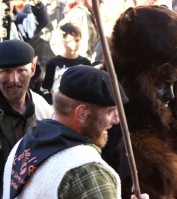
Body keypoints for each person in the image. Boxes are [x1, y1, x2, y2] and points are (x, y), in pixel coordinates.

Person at [2, 65, 148, 199]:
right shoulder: (89, 172)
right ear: (82, 113)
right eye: (110, 111)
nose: (116, 120)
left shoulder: (26, 143)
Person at [0, 40, 53, 197]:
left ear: (32, 68)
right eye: (6, 71)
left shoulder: (43, 108)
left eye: (21, 71)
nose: (14, 79)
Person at [42, 22, 91, 104]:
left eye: (77, 40)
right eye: (69, 41)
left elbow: (89, 88)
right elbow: (46, 89)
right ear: (62, 41)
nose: (74, 45)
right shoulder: (53, 63)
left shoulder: (85, 63)